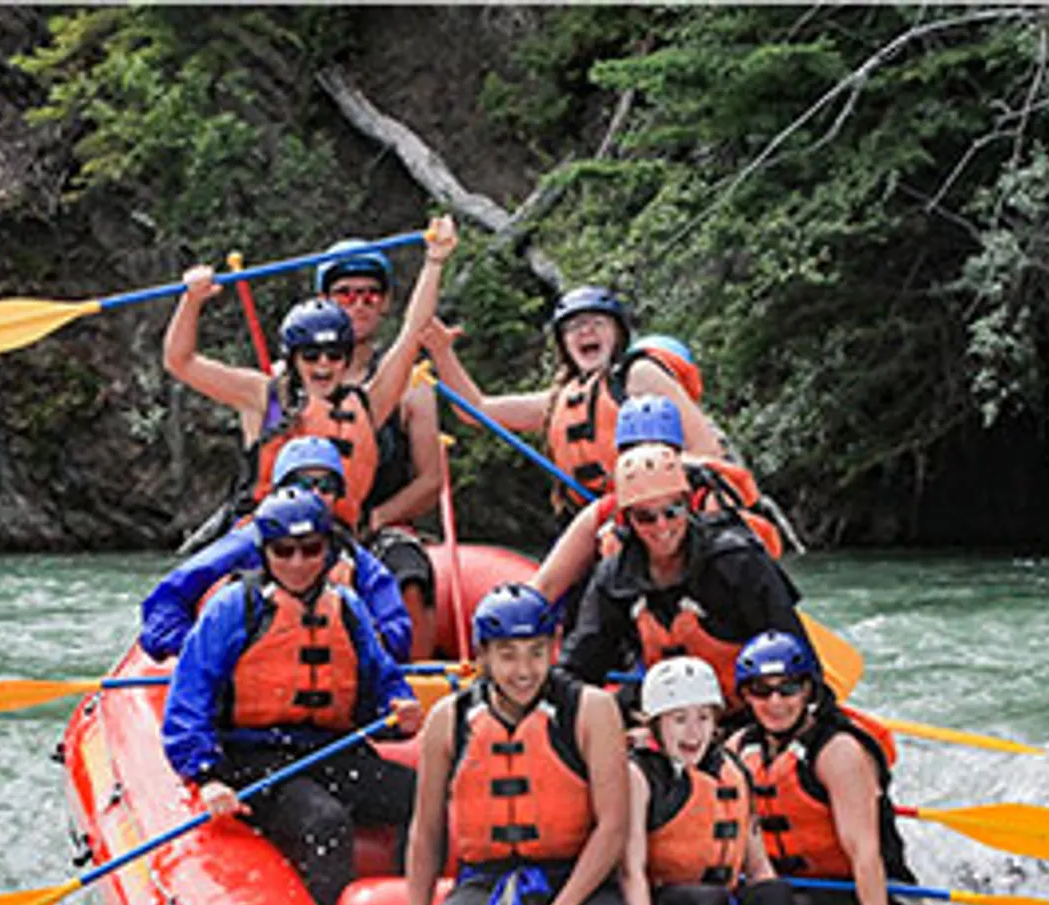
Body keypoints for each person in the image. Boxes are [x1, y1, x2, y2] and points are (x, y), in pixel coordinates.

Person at [161, 485, 424, 905]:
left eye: (310, 549)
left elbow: (384, 681)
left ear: (328, 549)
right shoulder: (233, 608)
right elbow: (190, 699)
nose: (298, 563)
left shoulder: (349, 607)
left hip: (330, 750)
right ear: (265, 553)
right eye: (284, 551)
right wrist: (206, 776)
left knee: (426, 797)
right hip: (254, 760)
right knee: (326, 822)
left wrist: (400, 707)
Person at [401, 583, 650, 905]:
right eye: (509, 655)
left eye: (536, 652)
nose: (524, 670)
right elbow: (426, 832)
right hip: (485, 882)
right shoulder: (449, 720)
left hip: (576, 879)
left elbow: (612, 826)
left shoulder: (592, 710)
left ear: (555, 648)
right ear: (484, 657)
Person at [163, 215, 457, 532]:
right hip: (265, 538)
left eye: (334, 356)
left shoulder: (369, 404)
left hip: (335, 537)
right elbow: (180, 362)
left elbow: (412, 332)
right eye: (311, 356)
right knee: (191, 578)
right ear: (294, 358)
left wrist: (435, 262)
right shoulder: (265, 394)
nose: (323, 365)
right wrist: (191, 300)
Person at [725, 631, 940, 905]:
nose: (775, 702)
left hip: (859, 896)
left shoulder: (838, 752)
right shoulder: (741, 747)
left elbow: (864, 851)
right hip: (784, 891)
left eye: (788, 688)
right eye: (761, 691)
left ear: (808, 690)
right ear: (746, 696)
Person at [423, 287, 724, 512]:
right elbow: (476, 411)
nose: (585, 331)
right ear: (564, 345)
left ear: (617, 335)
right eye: (573, 327)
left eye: (597, 323)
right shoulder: (559, 401)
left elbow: (707, 452)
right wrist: (441, 352)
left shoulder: (640, 376)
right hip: (599, 520)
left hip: (659, 513)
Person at [560, 443, 807, 713]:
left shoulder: (737, 561)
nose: (662, 526)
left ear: (688, 505)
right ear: (627, 519)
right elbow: (579, 664)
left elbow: (793, 649)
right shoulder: (614, 578)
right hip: (668, 719)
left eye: (672, 511)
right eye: (646, 517)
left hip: (746, 712)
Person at [623, 656, 802, 905]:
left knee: (776, 892)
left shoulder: (732, 770)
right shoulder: (640, 775)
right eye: (679, 719)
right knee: (711, 901)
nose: (694, 732)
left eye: (703, 717)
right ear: (655, 723)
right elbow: (630, 871)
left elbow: (758, 866)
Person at [138, 436, 413, 662]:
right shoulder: (245, 543)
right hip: (246, 680)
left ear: (337, 495)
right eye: (302, 484)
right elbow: (166, 601)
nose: (315, 494)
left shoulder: (349, 555)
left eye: (326, 486)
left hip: (328, 684)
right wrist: (193, 650)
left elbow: (394, 626)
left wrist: (366, 650)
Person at [529, 394, 788, 606]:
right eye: (637, 450)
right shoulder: (605, 511)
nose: (648, 464)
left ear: (679, 455)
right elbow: (546, 585)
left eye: (658, 449)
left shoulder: (711, 502)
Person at [314, 238, 444, 659]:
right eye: (346, 294)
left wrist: (375, 518)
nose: (359, 304)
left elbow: (431, 481)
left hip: (379, 524)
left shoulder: (409, 383)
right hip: (306, 521)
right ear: (325, 300)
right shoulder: (288, 380)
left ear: (385, 302)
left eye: (370, 294)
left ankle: (415, 685)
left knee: (408, 572)